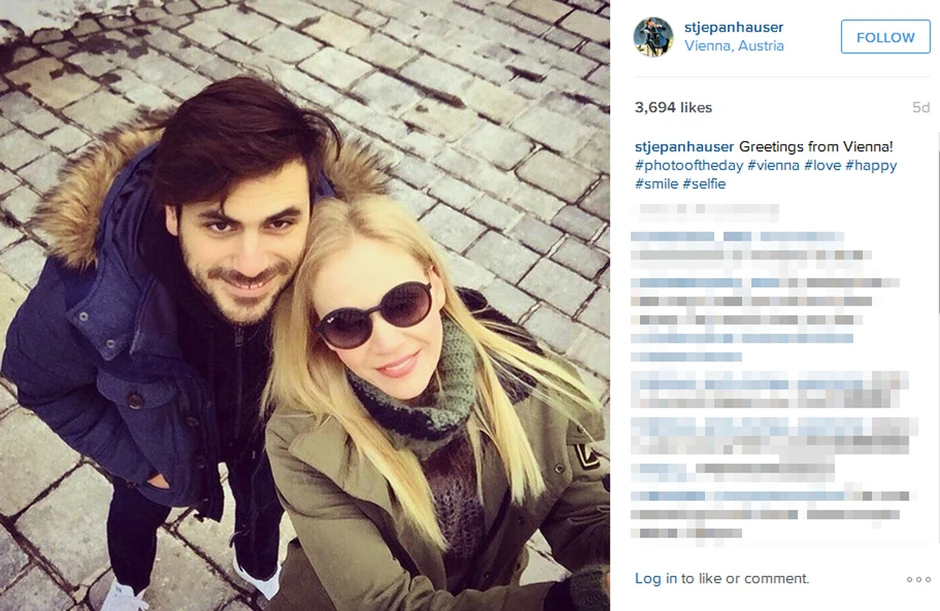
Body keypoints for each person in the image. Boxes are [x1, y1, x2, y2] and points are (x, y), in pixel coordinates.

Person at [0, 76, 387, 610]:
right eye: (220, 225)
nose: (251, 264)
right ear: (172, 213)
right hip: (161, 452)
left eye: (279, 222)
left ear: (311, 210)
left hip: (266, 445)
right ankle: (129, 583)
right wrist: (141, 464)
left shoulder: (339, 264)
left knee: (265, 509)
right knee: (135, 518)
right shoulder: (86, 292)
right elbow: (40, 383)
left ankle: (257, 564)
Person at [262, 194, 611, 610]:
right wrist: (569, 603)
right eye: (347, 324)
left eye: (403, 303)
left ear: (437, 284)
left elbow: (582, 518)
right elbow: (387, 603)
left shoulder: (526, 382)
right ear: (320, 335)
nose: (388, 343)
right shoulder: (302, 440)